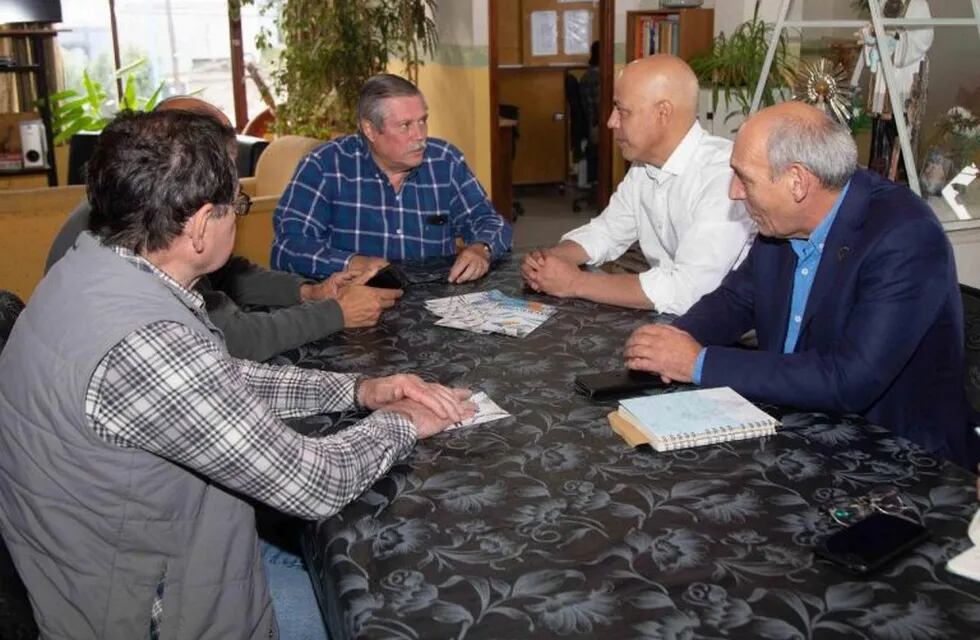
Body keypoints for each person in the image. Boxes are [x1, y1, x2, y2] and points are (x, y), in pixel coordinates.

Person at [0, 110, 475, 639]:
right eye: (237, 207)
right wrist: (404, 419)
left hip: (112, 566)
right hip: (157, 613)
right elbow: (315, 483)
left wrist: (361, 390)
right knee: (401, 607)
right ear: (201, 224)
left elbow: (216, 380)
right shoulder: (145, 345)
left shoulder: (92, 272)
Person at [624, 101, 978, 469]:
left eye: (744, 178)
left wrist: (698, 362)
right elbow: (736, 299)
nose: (733, 193)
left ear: (797, 182)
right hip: (797, 426)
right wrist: (672, 343)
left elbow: (849, 379)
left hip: (896, 459)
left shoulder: (905, 236)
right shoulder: (782, 222)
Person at [45, 95, 401, 362]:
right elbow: (232, 339)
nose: (231, 188)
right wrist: (335, 312)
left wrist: (309, 292)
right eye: (225, 172)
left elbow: (231, 275)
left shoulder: (133, 199)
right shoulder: (130, 235)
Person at [521, 54, 754, 314]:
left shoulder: (722, 177)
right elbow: (609, 230)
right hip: (674, 314)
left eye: (622, 111)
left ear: (662, 113)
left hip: (729, 333)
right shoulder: (644, 166)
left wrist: (574, 282)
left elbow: (689, 289)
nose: (611, 122)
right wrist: (556, 258)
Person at [271, 73, 513, 284]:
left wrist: (481, 248)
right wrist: (352, 263)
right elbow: (288, 247)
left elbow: (489, 221)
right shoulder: (325, 166)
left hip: (432, 305)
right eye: (405, 125)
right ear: (370, 129)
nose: (420, 136)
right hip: (355, 306)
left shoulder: (445, 161)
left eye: (422, 121)